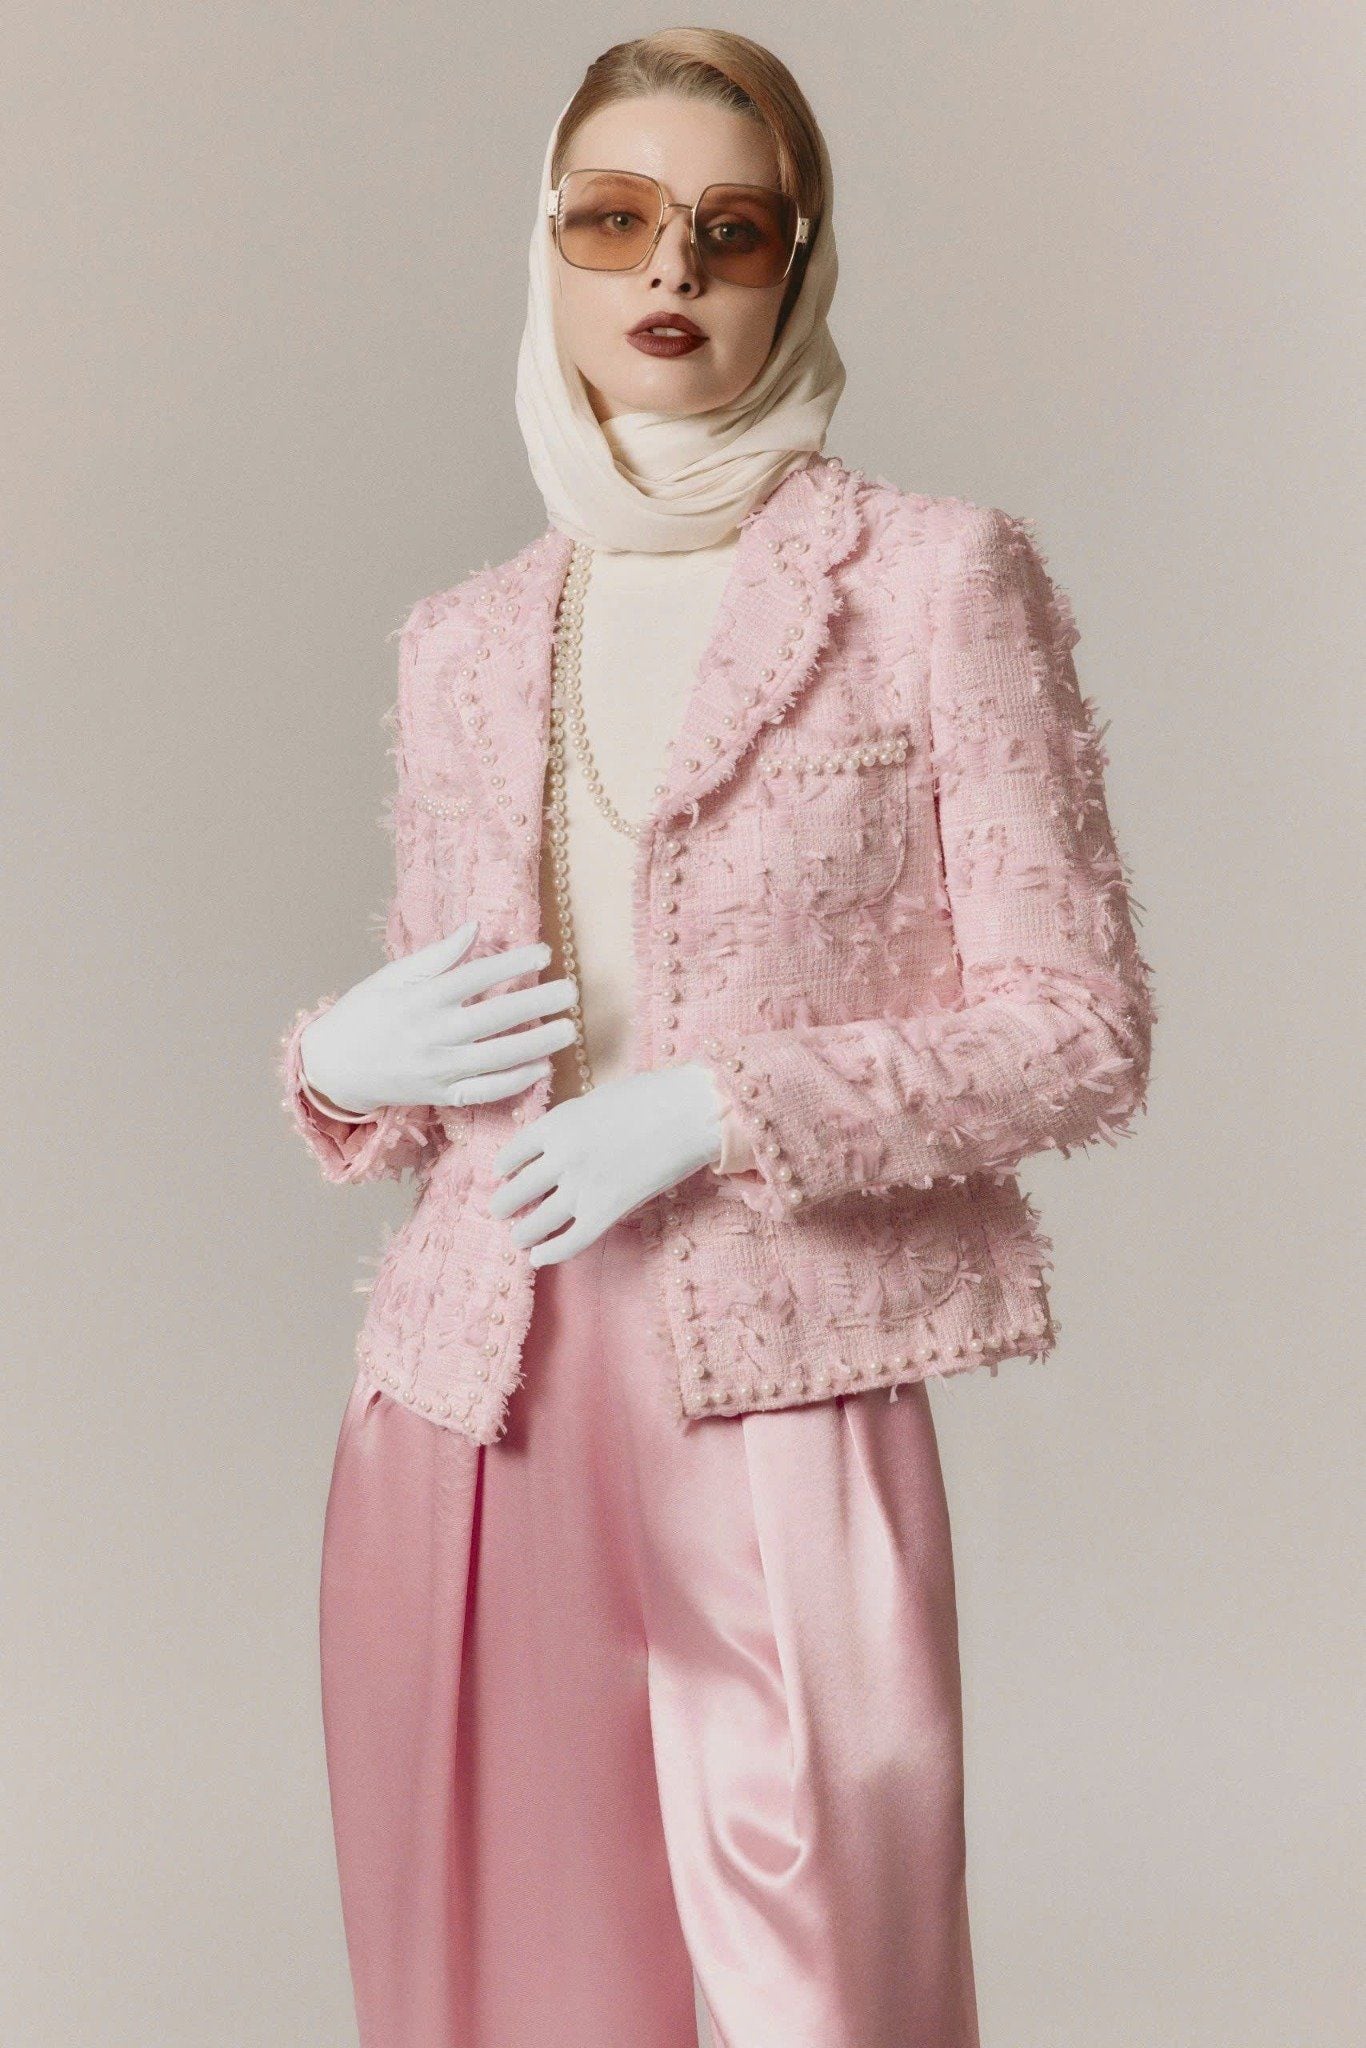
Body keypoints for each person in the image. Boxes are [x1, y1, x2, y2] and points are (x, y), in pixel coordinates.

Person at [278, 27, 1156, 2048]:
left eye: (728, 229)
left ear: (795, 264)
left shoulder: (932, 580)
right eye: (610, 219)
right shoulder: (465, 640)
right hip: (462, 1396)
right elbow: (437, 1063)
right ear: (548, 247)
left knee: (819, 1990)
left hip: (777, 1388)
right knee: (489, 1992)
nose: (666, 266)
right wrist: (338, 1062)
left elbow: (1077, 1029)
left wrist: (719, 1105)